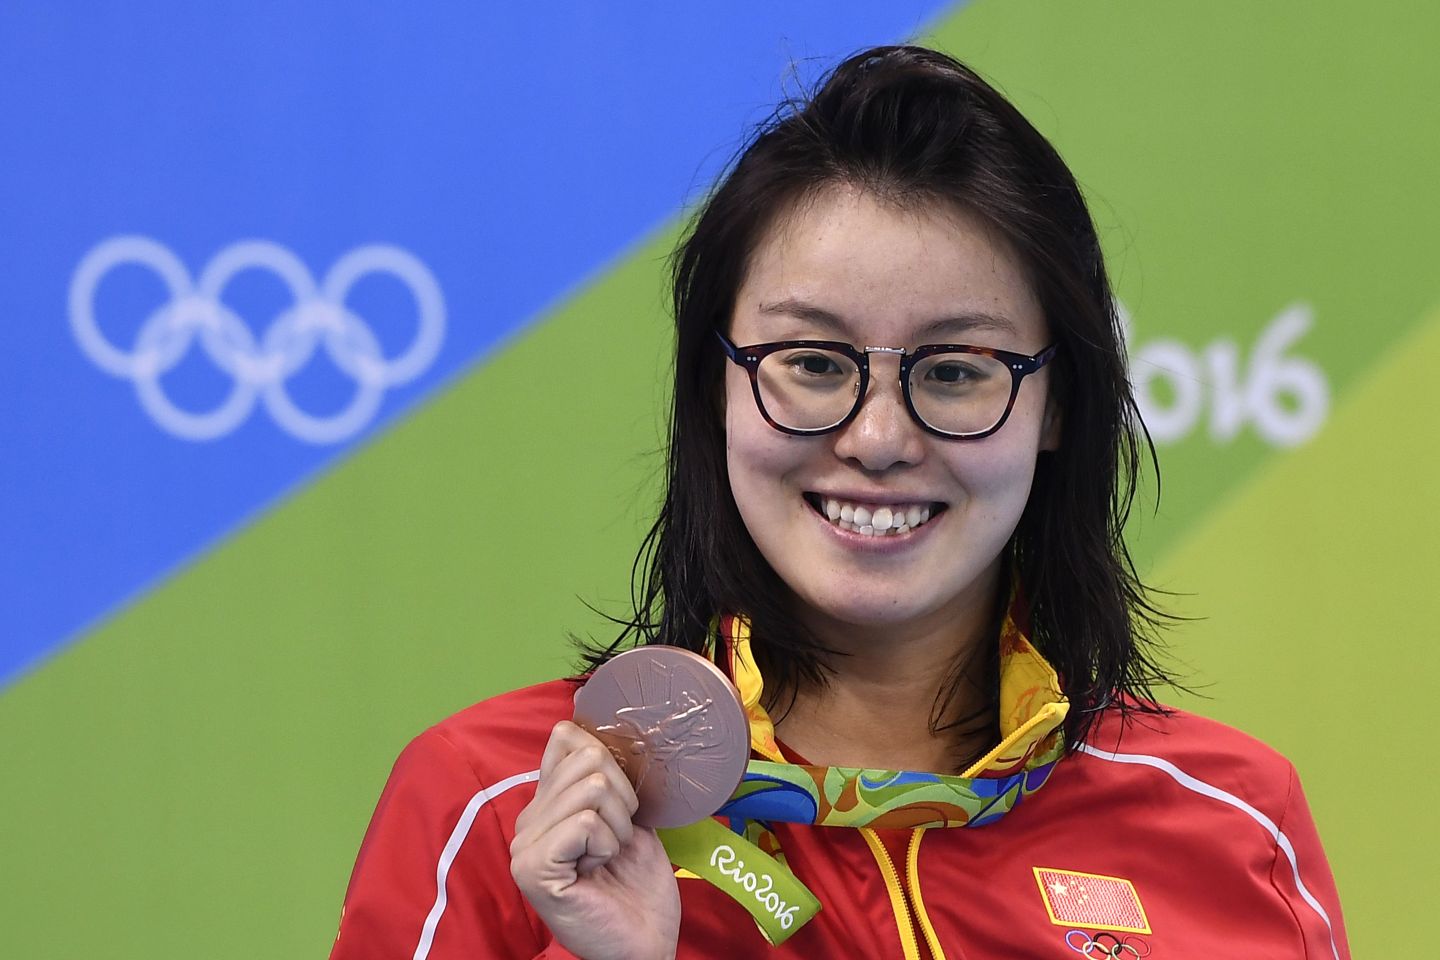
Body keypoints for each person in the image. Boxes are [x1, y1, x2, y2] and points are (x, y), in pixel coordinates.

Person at [329, 45, 1349, 960]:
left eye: (956, 371)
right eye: (814, 362)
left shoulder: (1231, 822)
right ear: (716, 389)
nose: (877, 439)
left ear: (1058, 407)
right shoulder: (501, 808)